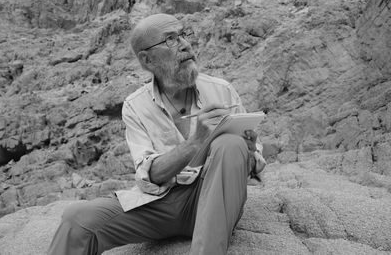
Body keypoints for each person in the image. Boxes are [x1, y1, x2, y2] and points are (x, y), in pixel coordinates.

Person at [48, 13, 266, 255]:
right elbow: (151, 176)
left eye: (184, 34)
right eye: (171, 39)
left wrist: (248, 151)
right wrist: (196, 142)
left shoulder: (221, 90)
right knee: (76, 219)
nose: (185, 44)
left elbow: (255, 166)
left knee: (230, 143)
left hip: (214, 199)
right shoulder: (135, 105)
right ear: (147, 59)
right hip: (160, 204)